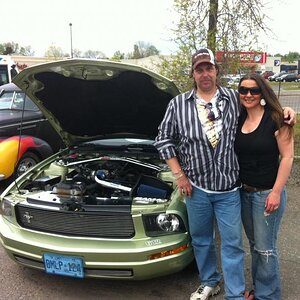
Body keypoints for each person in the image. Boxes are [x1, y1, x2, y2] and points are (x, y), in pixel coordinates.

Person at [154, 48, 296, 300]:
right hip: (195, 188)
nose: (205, 73)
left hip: (230, 189)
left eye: (209, 68)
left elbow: (260, 107)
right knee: (201, 240)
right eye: (200, 69)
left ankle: (235, 293)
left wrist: (287, 111)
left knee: (232, 244)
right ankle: (209, 281)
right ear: (193, 73)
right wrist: (179, 175)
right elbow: (163, 140)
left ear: (217, 71)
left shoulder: (233, 98)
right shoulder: (178, 105)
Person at [235, 74, 294, 300]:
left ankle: (268, 296)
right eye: (243, 90)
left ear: (262, 93)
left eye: (254, 90)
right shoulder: (239, 117)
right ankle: (261, 290)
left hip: (267, 194)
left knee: (265, 248)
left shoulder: (277, 118)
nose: (248, 95)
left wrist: (276, 192)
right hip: (244, 192)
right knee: (255, 245)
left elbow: (287, 157)